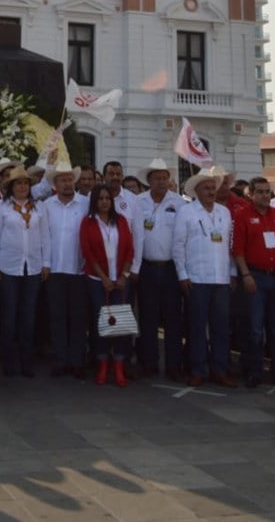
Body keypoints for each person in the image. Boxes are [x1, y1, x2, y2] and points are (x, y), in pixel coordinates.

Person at [172, 168, 236, 388]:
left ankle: (219, 370)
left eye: (212, 187)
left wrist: (232, 273)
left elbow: (230, 246)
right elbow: (178, 246)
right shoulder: (186, 212)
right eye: (206, 188)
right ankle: (197, 369)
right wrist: (182, 275)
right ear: (196, 191)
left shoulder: (224, 212)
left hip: (221, 279)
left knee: (221, 328)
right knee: (197, 328)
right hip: (196, 279)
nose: (210, 191)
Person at [232, 176, 275, 389]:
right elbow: (238, 250)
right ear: (250, 194)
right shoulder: (242, 216)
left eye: (267, 191)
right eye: (259, 191)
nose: (264, 195)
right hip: (255, 278)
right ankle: (255, 371)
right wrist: (246, 275)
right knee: (255, 329)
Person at [0, 166, 50, 377]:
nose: (22, 186)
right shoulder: (0, 207)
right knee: (9, 316)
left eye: (25, 183)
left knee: (28, 316)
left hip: (32, 268)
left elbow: (45, 237)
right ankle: (8, 362)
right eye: (18, 183)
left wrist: (46, 263)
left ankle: (27, 362)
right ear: (10, 187)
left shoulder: (38, 208)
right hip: (8, 268)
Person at [132, 157, 184, 380]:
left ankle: (173, 366)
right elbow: (136, 236)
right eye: (157, 178)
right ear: (149, 180)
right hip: (146, 268)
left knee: (173, 319)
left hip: (171, 268)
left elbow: (183, 239)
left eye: (165, 178)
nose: (161, 182)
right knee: (148, 318)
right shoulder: (138, 202)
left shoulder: (179, 203)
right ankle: (148, 363)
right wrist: (134, 268)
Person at [80, 183, 135, 387]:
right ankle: (102, 364)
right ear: (94, 202)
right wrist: (103, 277)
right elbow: (88, 252)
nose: (104, 202)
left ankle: (119, 365)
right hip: (97, 280)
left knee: (120, 324)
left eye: (107, 199)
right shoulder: (88, 223)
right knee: (102, 323)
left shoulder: (120, 221)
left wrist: (124, 276)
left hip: (120, 280)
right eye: (100, 199)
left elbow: (130, 249)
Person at [44, 163, 87, 379]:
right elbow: (43, 238)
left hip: (78, 270)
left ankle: (77, 361)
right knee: (57, 318)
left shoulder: (86, 204)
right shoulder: (47, 206)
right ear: (55, 184)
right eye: (62, 180)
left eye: (70, 179)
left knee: (78, 318)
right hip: (54, 270)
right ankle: (60, 360)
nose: (67, 183)